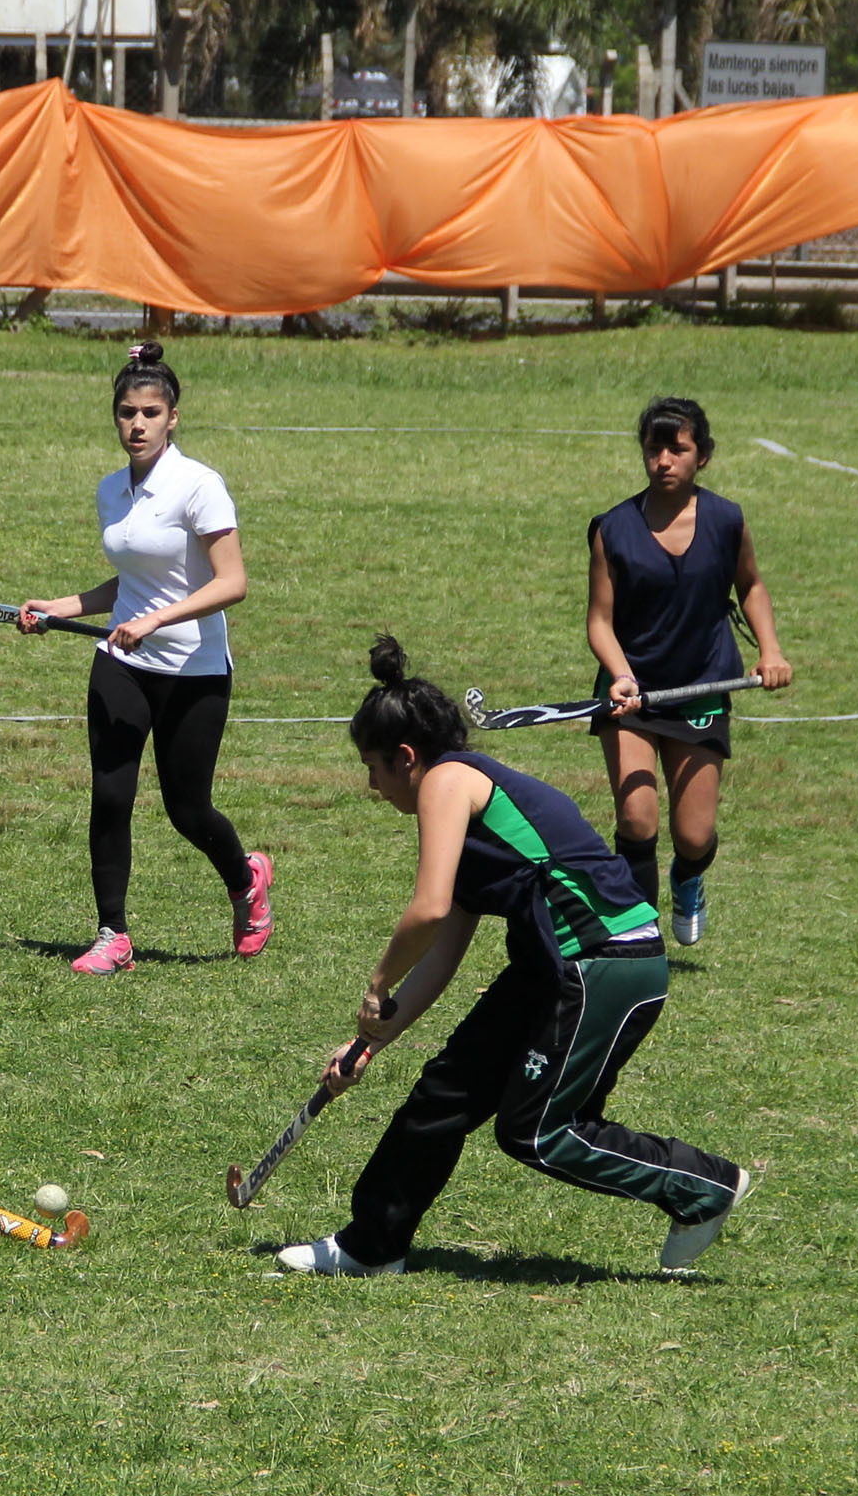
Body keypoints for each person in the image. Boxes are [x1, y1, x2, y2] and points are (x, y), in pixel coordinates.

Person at [275, 637, 752, 1278]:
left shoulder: (448, 782)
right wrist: (369, 1043)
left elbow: (429, 910)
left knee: (538, 1131)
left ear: (406, 757)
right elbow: (445, 950)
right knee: (445, 1092)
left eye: (372, 767)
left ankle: (704, 1187)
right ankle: (373, 1245)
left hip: (605, 963)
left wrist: (377, 982)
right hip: (553, 968)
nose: (370, 785)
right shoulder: (474, 805)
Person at [17, 343, 270, 975]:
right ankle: (113, 934)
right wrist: (63, 607)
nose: (137, 424)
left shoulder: (199, 486)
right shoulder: (112, 490)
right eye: (127, 412)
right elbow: (128, 583)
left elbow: (230, 582)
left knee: (188, 809)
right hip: (121, 663)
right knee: (110, 795)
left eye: (150, 412)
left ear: (173, 417)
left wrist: (156, 620)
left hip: (193, 670)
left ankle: (246, 881)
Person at [584, 397, 792, 946]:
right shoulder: (613, 529)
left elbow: (749, 585)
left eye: (678, 449)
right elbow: (599, 622)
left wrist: (770, 650)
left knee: (693, 835)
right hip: (632, 696)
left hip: (703, 687)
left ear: (703, 456)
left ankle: (689, 878)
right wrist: (620, 674)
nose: (664, 461)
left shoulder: (726, 520)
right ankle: (635, 932)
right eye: (655, 449)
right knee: (636, 819)